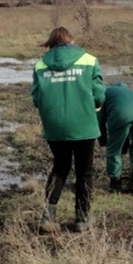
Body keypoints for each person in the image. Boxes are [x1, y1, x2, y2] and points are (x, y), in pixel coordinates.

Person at [31, 27, 105, 233]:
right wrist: (93, 105)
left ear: (51, 43)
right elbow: (99, 94)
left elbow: (36, 98)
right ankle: (81, 220)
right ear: (71, 40)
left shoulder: (40, 65)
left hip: (54, 126)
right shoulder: (89, 60)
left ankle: (47, 217)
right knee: (84, 171)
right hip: (84, 125)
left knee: (60, 167)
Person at [97, 82, 133, 193]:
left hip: (122, 113)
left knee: (114, 150)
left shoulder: (105, 92)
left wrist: (103, 141)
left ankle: (115, 184)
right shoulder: (130, 93)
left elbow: (99, 121)